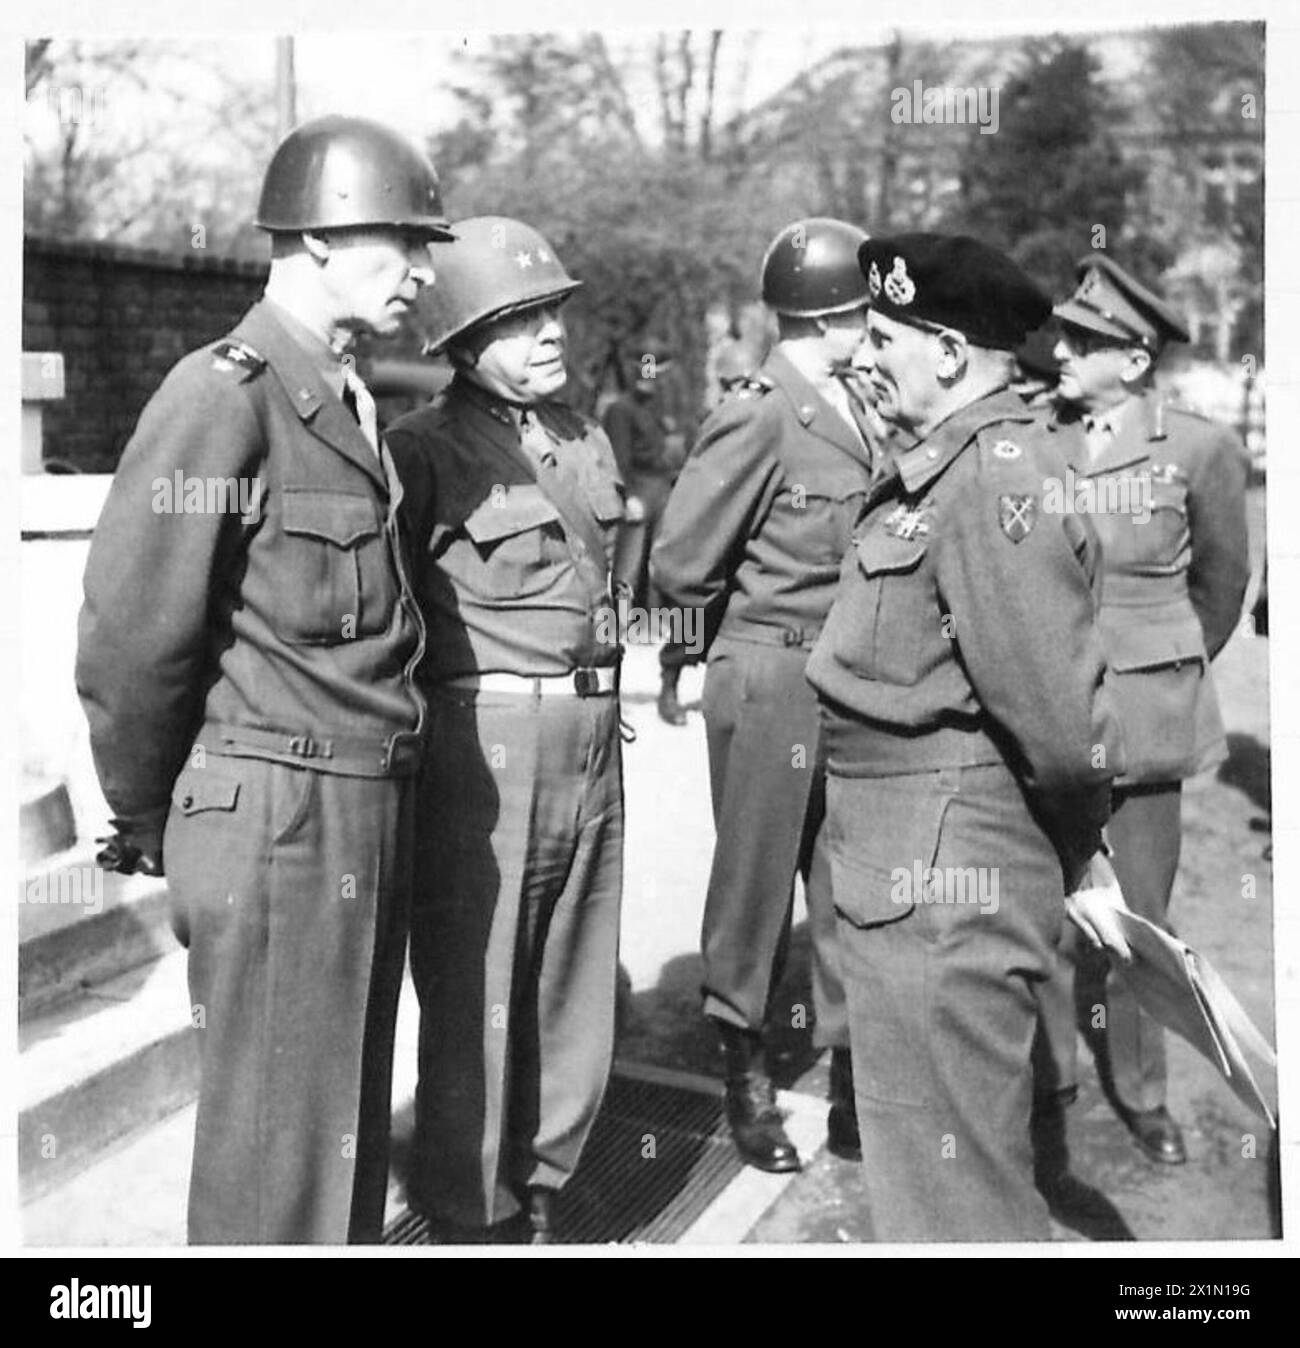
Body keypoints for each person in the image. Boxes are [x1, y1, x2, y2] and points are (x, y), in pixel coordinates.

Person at [75, 115, 451, 1243]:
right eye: (404, 242)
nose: (425, 271)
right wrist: (152, 814)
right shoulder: (223, 395)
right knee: (272, 1164)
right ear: (323, 240)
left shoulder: (347, 395)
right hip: (280, 822)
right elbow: (134, 638)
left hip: (359, 812)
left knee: (334, 1135)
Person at [805, 233, 1131, 1241]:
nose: (863, 351)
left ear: (947, 353)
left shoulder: (990, 475)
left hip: (943, 885)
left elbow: (1060, 725)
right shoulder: (952, 464)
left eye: (882, 332)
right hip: (911, 871)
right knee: (933, 1188)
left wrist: (1082, 846)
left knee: (957, 1210)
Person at [385, 217, 625, 1244]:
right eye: (516, 321)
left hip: (592, 733)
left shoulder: (582, 437)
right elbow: (388, 612)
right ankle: (466, 1207)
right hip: (487, 740)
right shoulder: (421, 450)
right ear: (458, 340)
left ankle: (547, 1181)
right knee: (479, 984)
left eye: (551, 312)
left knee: (574, 975)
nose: (546, 334)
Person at [652, 217, 886, 1172]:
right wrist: (692, 671)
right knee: (753, 891)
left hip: (852, 684)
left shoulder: (862, 403)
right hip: (772, 678)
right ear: (832, 318)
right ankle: (744, 1080)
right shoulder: (759, 411)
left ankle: (851, 1087)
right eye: (868, 313)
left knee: (846, 890)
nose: (875, 329)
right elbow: (680, 562)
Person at [1034, 254, 1251, 1166]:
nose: (1059, 354)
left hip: (1146, 718)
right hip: (1042, 709)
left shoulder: (1198, 447)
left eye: (1081, 344)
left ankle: (1145, 1093)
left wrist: (1158, 661)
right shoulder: (1032, 436)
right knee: (1039, 909)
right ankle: (1047, 1084)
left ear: (1131, 360)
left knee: (1141, 922)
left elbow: (1223, 584)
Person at [602, 342, 691, 723]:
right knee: (626, 567)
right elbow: (615, 457)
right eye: (643, 369)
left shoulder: (660, 411)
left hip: (663, 488)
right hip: (637, 487)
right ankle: (611, 640)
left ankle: (651, 627)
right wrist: (626, 496)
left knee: (662, 562)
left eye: (654, 370)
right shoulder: (620, 410)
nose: (649, 377)